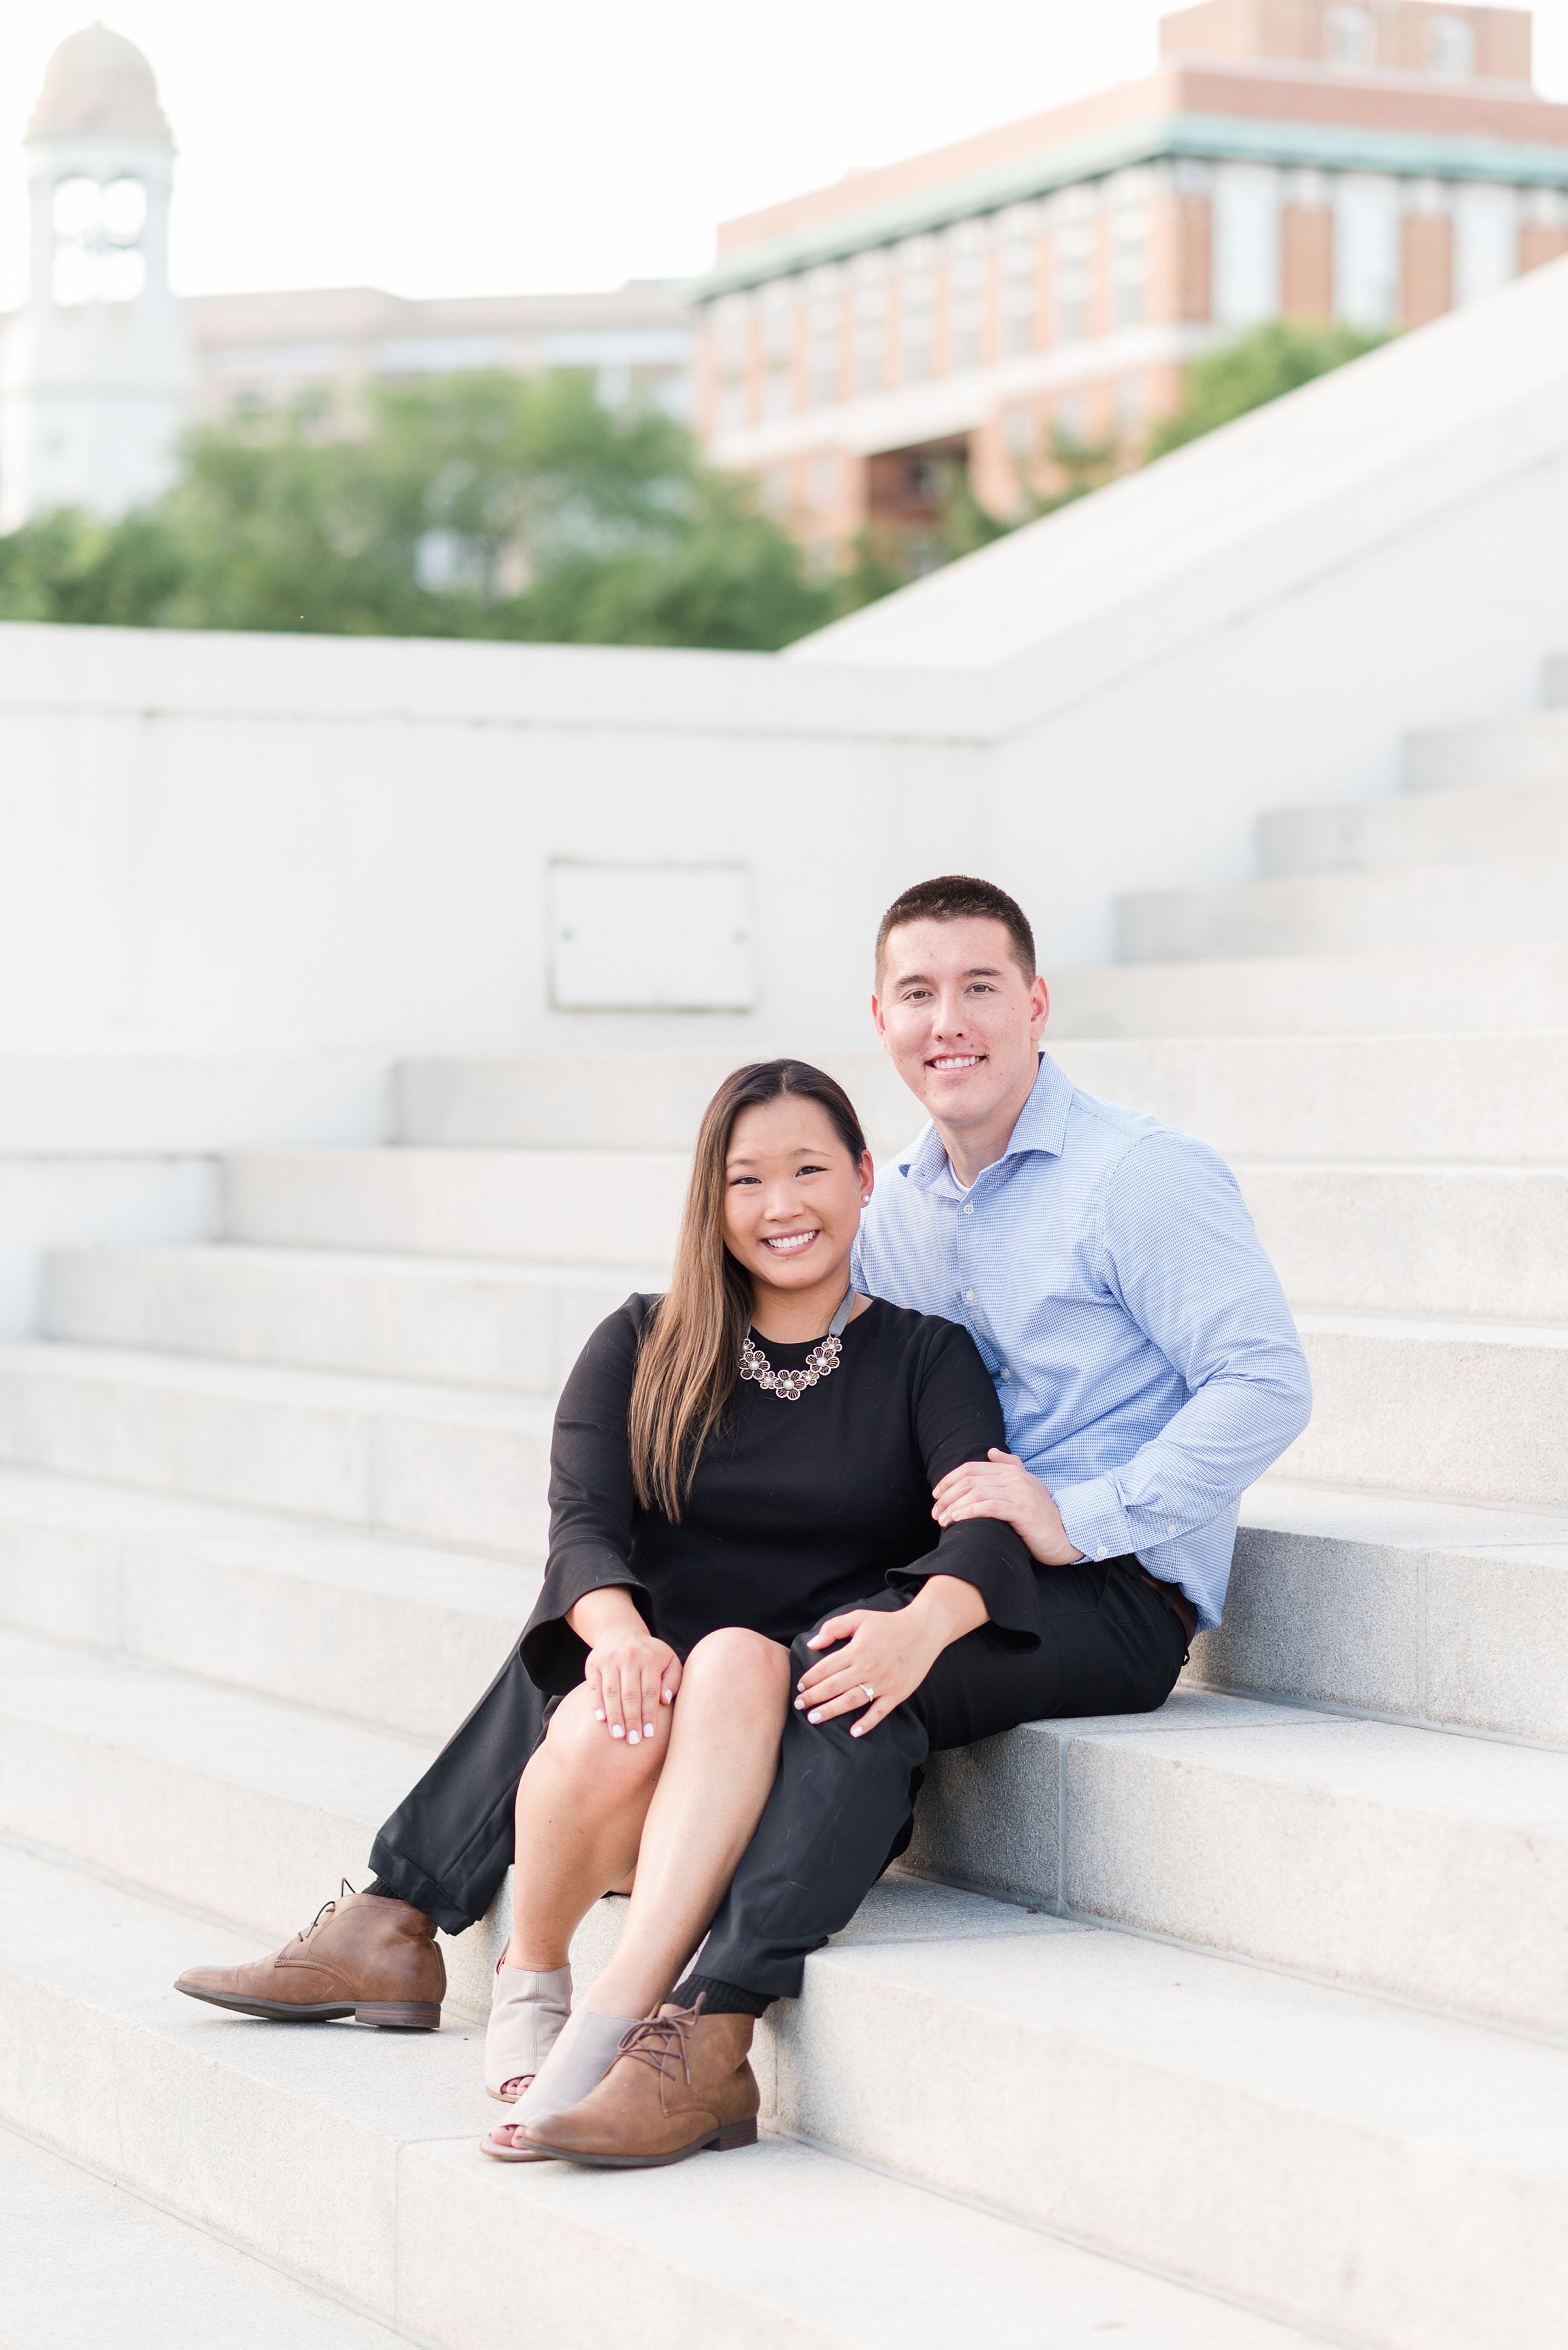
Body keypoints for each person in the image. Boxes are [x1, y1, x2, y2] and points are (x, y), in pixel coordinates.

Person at [175, 874, 1312, 2166]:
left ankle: (704, 2033)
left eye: (982, 986)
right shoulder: (909, 1207)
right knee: (647, 1597)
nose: (952, 1019)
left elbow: (1268, 1384)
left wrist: (1078, 1514)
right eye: (920, 993)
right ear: (881, 1018)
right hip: (959, 1545)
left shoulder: (1138, 1177)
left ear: (1038, 1002)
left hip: (1111, 1584)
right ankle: (394, 1912)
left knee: (855, 1667)